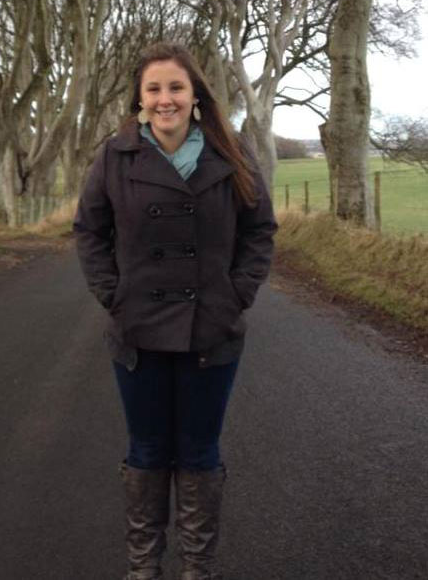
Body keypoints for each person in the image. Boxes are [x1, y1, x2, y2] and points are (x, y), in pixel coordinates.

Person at [73, 42, 277, 580]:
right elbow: (90, 232)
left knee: (198, 449)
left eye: (176, 87)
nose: (166, 99)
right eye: (154, 89)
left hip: (212, 330)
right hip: (137, 329)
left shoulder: (231, 152)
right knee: (147, 446)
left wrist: (237, 295)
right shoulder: (114, 157)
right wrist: (111, 293)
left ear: (195, 96)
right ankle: (144, 568)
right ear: (140, 100)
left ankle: (197, 569)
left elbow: (259, 232)